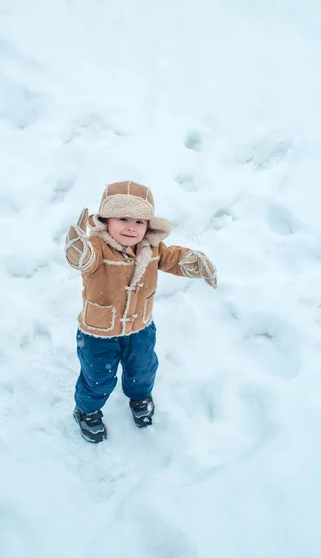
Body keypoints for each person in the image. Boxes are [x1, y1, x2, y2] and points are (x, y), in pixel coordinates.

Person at [65, 181, 217, 443]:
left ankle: (139, 396)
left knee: (143, 367)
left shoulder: (151, 248)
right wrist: (78, 249)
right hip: (99, 330)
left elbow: (173, 258)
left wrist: (192, 261)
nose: (131, 227)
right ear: (106, 220)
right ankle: (87, 410)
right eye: (123, 218)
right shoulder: (98, 247)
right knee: (97, 375)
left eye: (139, 221)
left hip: (140, 327)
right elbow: (85, 259)